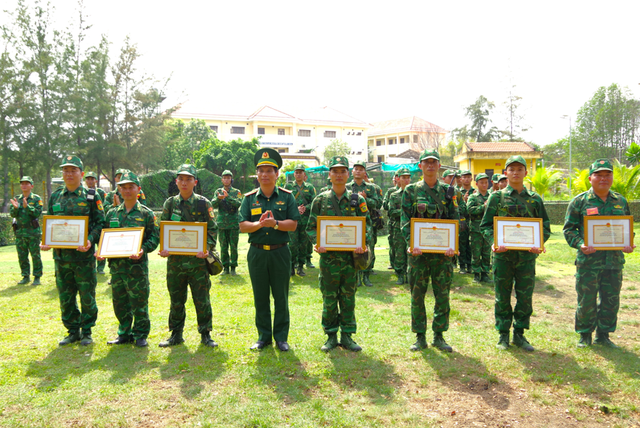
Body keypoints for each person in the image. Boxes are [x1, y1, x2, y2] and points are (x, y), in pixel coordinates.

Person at [480, 155, 550, 351]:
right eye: (511, 169)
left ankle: (519, 334)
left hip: (527, 257)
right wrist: (494, 243)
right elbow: (485, 225)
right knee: (502, 296)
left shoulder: (535, 200)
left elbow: (545, 226)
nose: (516, 172)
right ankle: (503, 334)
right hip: (503, 257)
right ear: (505, 173)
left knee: (525, 296)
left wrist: (539, 242)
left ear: (526, 173)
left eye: (520, 169)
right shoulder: (497, 197)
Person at [563, 159, 635, 348]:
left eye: (607, 174)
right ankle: (585, 334)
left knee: (611, 299)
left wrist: (627, 243)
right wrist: (580, 244)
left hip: (614, 261)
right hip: (589, 261)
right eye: (598, 175)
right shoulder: (579, 202)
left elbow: (627, 229)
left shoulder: (620, 201)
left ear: (612, 177)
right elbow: (569, 230)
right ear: (590, 178)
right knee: (586, 299)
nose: (603, 178)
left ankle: (603, 335)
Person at [306, 156, 371, 352]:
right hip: (329, 260)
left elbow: (366, 226)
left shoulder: (357, 200)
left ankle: (347, 336)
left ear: (348, 174)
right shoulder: (321, 200)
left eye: (343, 171)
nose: (339, 175)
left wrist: (363, 243)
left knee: (348, 298)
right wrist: (317, 243)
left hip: (350, 260)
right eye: (335, 171)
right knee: (329, 298)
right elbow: (311, 227)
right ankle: (331, 336)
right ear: (330, 175)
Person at [239, 149, 300, 352]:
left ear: (277, 174)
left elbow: (292, 224)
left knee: (281, 296)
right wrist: (260, 224)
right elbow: (242, 225)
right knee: (260, 296)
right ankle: (263, 337)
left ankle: (281, 338)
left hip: (280, 252)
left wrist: (274, 224)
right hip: (257, 253)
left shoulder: (287, 197)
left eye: (269, 170)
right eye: (261, 171)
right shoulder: (249, 199)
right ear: (257, 175)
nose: (264, 174)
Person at [41, 155, 105, 346]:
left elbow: (99, 222)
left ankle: (86, 331)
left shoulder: (91, 195)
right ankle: (72, 331)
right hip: (61, 258)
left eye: (73, 170)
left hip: (83, 257)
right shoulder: (55, 196)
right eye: (66, 170)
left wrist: (89, 239)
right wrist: (46, 241)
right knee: (66, 297)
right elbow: (50, 224)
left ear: (81, 173)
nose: (69, 174)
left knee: (87, 296)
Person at [401, 150, 459, 352]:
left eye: (434, 162)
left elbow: (455, 220)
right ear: (420, 166)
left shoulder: (449, 192)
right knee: (417, 294)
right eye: (427, 162)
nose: (431, 165)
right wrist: (410, 242)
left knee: (442, 294)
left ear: (439, 165)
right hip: (418, 254)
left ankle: (439, 335)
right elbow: (405, 221)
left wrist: (453, 245)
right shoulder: (411, 191)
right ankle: (420, 336)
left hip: (443, 255)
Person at [158, 164, 219, 348]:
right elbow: (164, 228)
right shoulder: (170, 203)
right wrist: (165, 248)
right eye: (181, 179)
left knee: (202, 299)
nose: (184, 182)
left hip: (198, 262)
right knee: (176, 299)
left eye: (188, 179)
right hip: (175, 263)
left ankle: (205, 334)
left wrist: (206, 248)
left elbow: (212, 230)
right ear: (176, 182)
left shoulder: (203, 203)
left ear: (195, 182)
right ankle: (176, 334)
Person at [99, 171, 159, 347]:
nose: (127, 191)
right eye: (123, 187)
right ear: (118, 190)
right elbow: (105, 236)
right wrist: (102, 250)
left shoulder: (146, 214)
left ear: (138, 189)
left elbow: (155, 237)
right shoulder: (112, 213)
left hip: (137, 267)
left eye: (131, 187)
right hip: (117, 268)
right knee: (119, 302)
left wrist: (143, 249)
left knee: (139, 301)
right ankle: (124, 333)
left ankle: (140, 334)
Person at [346, 162, 380, 287]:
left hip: (367, 222)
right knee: (353, 249)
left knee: (367, 248)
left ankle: (366, 276)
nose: (358, 171)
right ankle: (357, 277)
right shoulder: (347, 187)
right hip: (351, 223)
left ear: (365, 172)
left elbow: (376, 203)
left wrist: (365, 198)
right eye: (356, 169)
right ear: (352, 172)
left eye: (361, 169)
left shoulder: (370, 188)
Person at [284, 164, 316, 276]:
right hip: (292, 221)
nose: (298, 174)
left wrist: (304, 208)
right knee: (292, 244)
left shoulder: (310, 188)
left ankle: (301, 267)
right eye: (296, 172)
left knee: (303, 245)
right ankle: (292, 266)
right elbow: (283, 202)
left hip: (305, 221)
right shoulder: (288, 187)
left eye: (300, 172)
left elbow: (314, 202)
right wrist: (295, 209)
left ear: (304, 174)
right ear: (294, 174)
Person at [10, 176, 43, 285]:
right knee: (22, 256)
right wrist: (15, 208)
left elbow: (37, 213)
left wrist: (27, 207)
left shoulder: (36, 198)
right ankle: (25, 276)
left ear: (31, 186)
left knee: (35, 255)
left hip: (33, 233)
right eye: (22, 183)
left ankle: (37, 277)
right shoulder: (17, 198)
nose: (24, 185)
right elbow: (12, 214)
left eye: (26, 183)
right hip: (20, 233)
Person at [211, 170, 242, 275]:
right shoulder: (218, 191)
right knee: (223, 247)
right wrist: (219, 199)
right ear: (222, 180)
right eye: (224, 178)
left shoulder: (236, 192)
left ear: (231, 179)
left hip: (233, 223)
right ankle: (226, 267)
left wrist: (228, 197)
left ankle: (233, 267)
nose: (226, 179)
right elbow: (212, 205)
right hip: (222, 224)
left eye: (228, 178)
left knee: (233, 246)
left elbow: (238, 204)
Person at [467, 173, 492, 283]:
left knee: (486, 253)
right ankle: (476, 274)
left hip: (488, 230)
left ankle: (485, 274)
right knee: (476, 253)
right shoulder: (473, 197)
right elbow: (470, 210)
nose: (484, 184)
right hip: (476, 229)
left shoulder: (492, 196)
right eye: (481, 182)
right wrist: (483, 207)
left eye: (486, 182)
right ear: (476, 184)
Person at [388, 168, 411, 285]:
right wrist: (405, 211)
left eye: (408, 177)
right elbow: (391, 212)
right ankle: (400, 275)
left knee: (411, 251)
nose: (406, 180)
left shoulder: (414, 193)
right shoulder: (394, 195)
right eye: (403, 177)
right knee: (399, 252)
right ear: (398, 179)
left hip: (412, 228)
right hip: (398, 228)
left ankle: (410, 274)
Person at [441, 170, 467, 273]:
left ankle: (457, 265)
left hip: (453, 222)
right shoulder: (440, 190)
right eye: (449, 177)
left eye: (454, 177)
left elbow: (462, 207)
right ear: (444, 179)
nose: (452, 179)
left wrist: (454, 210)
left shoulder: (457, 192)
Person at [85, 172, 107, 274]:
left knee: (101, 245)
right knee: (89, 246)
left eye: (92, 179)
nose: (90, 181)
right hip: (89, 226)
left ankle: (101, 267)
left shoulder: (101, 193)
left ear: (96, 181)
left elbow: (103, 207)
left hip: (98, 223)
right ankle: (92, 266)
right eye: (88, 179)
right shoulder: (85, 192)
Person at [458, 170, 475, 274]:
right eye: (464, 177)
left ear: (471, 179)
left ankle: (470, 265)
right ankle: (462, 266)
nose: (467, 179)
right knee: (462, 244)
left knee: (471, 245)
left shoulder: (475, 192)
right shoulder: (458, 193)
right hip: (462, 221)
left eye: (469, 177)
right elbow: (457, 208)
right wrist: (464, 201)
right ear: (461, 179)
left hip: (473, 221)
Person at [383, 172, 400, 271]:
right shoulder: (390, 192)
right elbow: (385, 205)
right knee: (392, 242)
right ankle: (392, 262)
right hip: (393, 221)